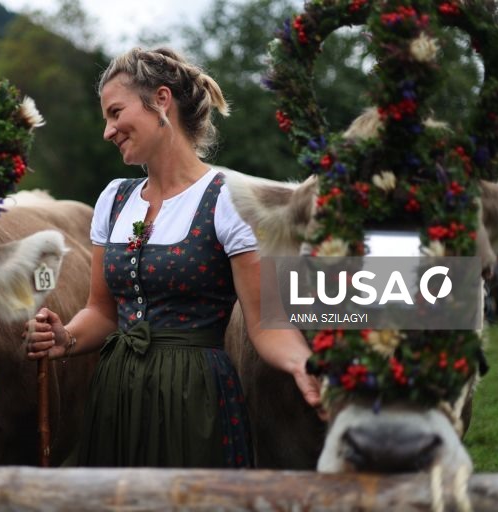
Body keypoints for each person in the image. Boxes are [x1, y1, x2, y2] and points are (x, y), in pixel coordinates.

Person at [25, 47, 322, 468]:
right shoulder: (114, 199)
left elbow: (264, 325)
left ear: (161, 100)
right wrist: (65, 338)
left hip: (194, 400)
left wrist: (303, 364)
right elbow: (102, 312)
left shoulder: (228, 199)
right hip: (115, 397)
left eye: (115, 112)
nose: (108, 131)